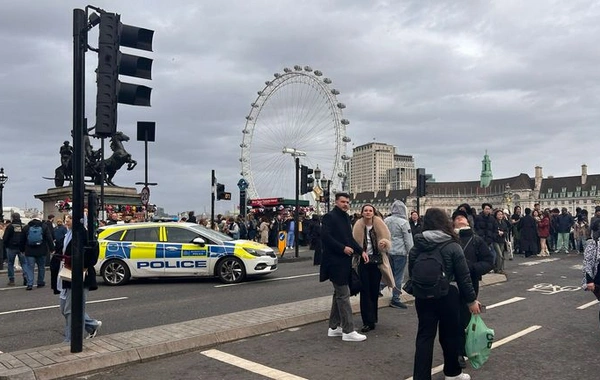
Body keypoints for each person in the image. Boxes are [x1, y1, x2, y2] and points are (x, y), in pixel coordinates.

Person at [409, 208, 480, 380]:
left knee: (424, 336)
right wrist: (471, 300)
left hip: (423, 295)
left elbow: (412, 272)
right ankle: (452, 372)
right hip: (447, 294)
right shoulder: (453, 245)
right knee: (449, 335)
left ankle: (421, 377)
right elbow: (464, 277)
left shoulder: (417, 245)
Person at [320, 192, 367, 342]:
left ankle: (334, 327)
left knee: (339, 294)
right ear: (336, 202)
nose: (346, 204)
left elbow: (349, 239)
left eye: (347, 202)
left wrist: (361, 252)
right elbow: (326, 237)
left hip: (344, 262)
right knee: (344, 295)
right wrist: (342, 248)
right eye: (343, 202)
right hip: (334, 262)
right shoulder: (330, 217)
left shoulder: (346, 217)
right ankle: (348, 330)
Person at [452, 209, 494, 368]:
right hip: (451, 285)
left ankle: (461, 351)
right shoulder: (449, 239)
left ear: (468, 221)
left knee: (465, 318)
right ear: (453, 222)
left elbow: (488, 261)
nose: (460, 219)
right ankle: (455, 351)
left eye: (463, 217)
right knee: (452, 319)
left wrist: (473, 268)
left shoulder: (476, 240)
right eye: (457, 218)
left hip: (470, 283)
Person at [57, 215, 102, 342]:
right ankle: (92, 325)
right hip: (66, 275)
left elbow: (91, 257)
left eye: (71, 217)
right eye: (66, 217)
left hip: (80, 275)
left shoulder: (84, 235)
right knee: (64, 309)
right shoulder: (67, 235)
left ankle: (71, 341)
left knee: (71, 310)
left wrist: (73, 260)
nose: (67, 220)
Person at [352, 204, 393, 332]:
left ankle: (373, 316)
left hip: (377, 261)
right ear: (362, 213)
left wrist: (384, 243)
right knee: (365, 291)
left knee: (374, 290)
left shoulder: (379, 224)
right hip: (363, 261)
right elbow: (354, 242)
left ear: (373, 213)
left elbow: (387, 240)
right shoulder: (358, 225)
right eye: (366, 210)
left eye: (370, 210)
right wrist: (359, 252)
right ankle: (367, 321)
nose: (368, 212)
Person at [384, 200, 414, 309]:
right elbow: (408, 240)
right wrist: (411, 253)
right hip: (400, 252)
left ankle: (376, 289)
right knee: (398, 276)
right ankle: (395, 299)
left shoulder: (386, 220)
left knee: (388, 273)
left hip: (388, 250)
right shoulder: (404, 222)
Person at [19, 213, 55, 290]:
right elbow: (49, 238)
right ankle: (40, 282)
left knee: (30, 267)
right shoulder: (44, 227)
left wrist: (22, 250)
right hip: (42, 250)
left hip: (29, 251)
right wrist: (52, 249)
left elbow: (22, 240)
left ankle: (30, 284)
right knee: (41, 267)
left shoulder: (26, 227)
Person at [2, 213, 28, 286]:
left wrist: (6, 245)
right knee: (24, 263)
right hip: (22, 248)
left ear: (12, 218)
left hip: (11, 247)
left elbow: (5, 238)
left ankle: (12, 280)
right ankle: (26, 277)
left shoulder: (10, 226)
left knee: (10, 263)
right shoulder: (24, 226)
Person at [491, 209, 509, 274]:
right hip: (495, 240)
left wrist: (503, 233)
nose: (500, 216)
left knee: (501, 254)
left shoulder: (504, 223)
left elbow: (507, 231)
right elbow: (491, 231)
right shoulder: (494, 222)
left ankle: (500, 268)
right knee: (499, 255)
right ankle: (498, 269)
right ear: (496, 215)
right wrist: (497, 233)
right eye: (499, 214)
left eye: (501, 214)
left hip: (502, 240)